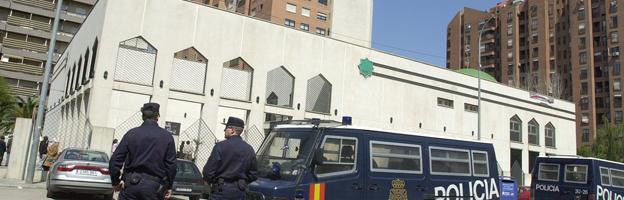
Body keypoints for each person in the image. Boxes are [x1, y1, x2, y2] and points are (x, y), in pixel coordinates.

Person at [109, 103, 177, 200]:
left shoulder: (131, 134)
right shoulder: (167, 137)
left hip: (130, 185)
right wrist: (169, 186)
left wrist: (115, 182)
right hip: (154, 188)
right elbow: (172, 166)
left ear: (142, 116)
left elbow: (115, 160)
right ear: (157, 116)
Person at [203, 117, 258, 200]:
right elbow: (253, 173)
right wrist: (243, 182)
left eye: (226, 128)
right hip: (240, 192)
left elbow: (209, 171)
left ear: (232, 130)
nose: (224, 130)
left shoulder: (220, 146)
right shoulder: (249, 149)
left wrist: (213, 182)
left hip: (220, 191)